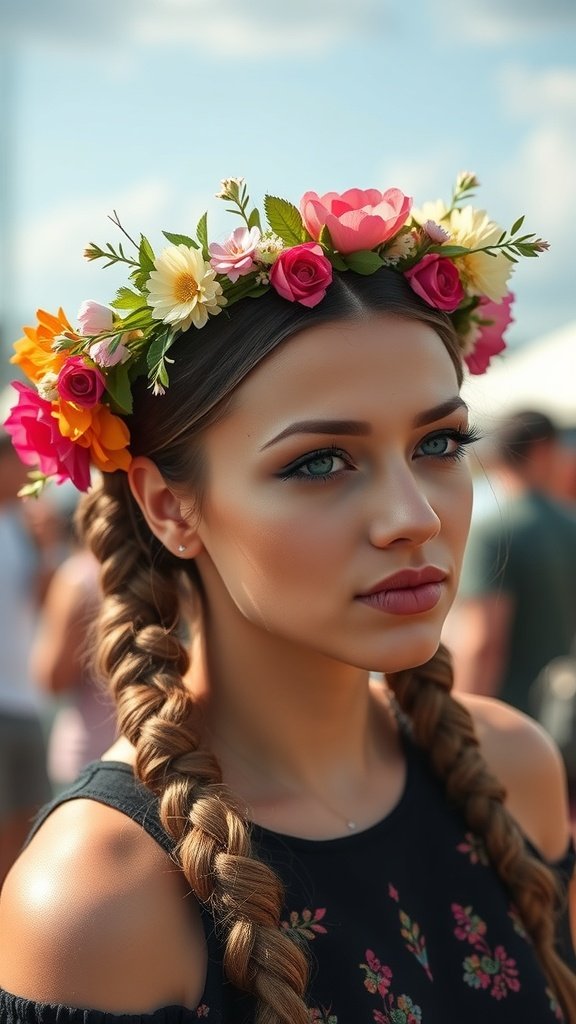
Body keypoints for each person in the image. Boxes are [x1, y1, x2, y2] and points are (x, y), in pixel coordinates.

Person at [0, 172, 574, 1023]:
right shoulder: (99, 897)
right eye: (318, 462)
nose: (413, 518)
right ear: (169, 506)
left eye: (440, 442)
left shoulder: (511, 768)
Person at [451, 410, 576, 715]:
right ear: (544, 450)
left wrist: (460, 722)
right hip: (560, 715)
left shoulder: (493, 531)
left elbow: (484, 643)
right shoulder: (569, 524)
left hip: (507, 718)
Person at [0, 430, 53, 888]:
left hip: (25, 700)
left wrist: (45, 549)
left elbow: (39, 605)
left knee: (28, 831)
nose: (27, 471)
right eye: (19, 461)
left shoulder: (22, 526)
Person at [29, 544, 117, 787]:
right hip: (155, 753)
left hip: (89, 757)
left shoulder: (80, 577)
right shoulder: (171, 568)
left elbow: (52, 678)